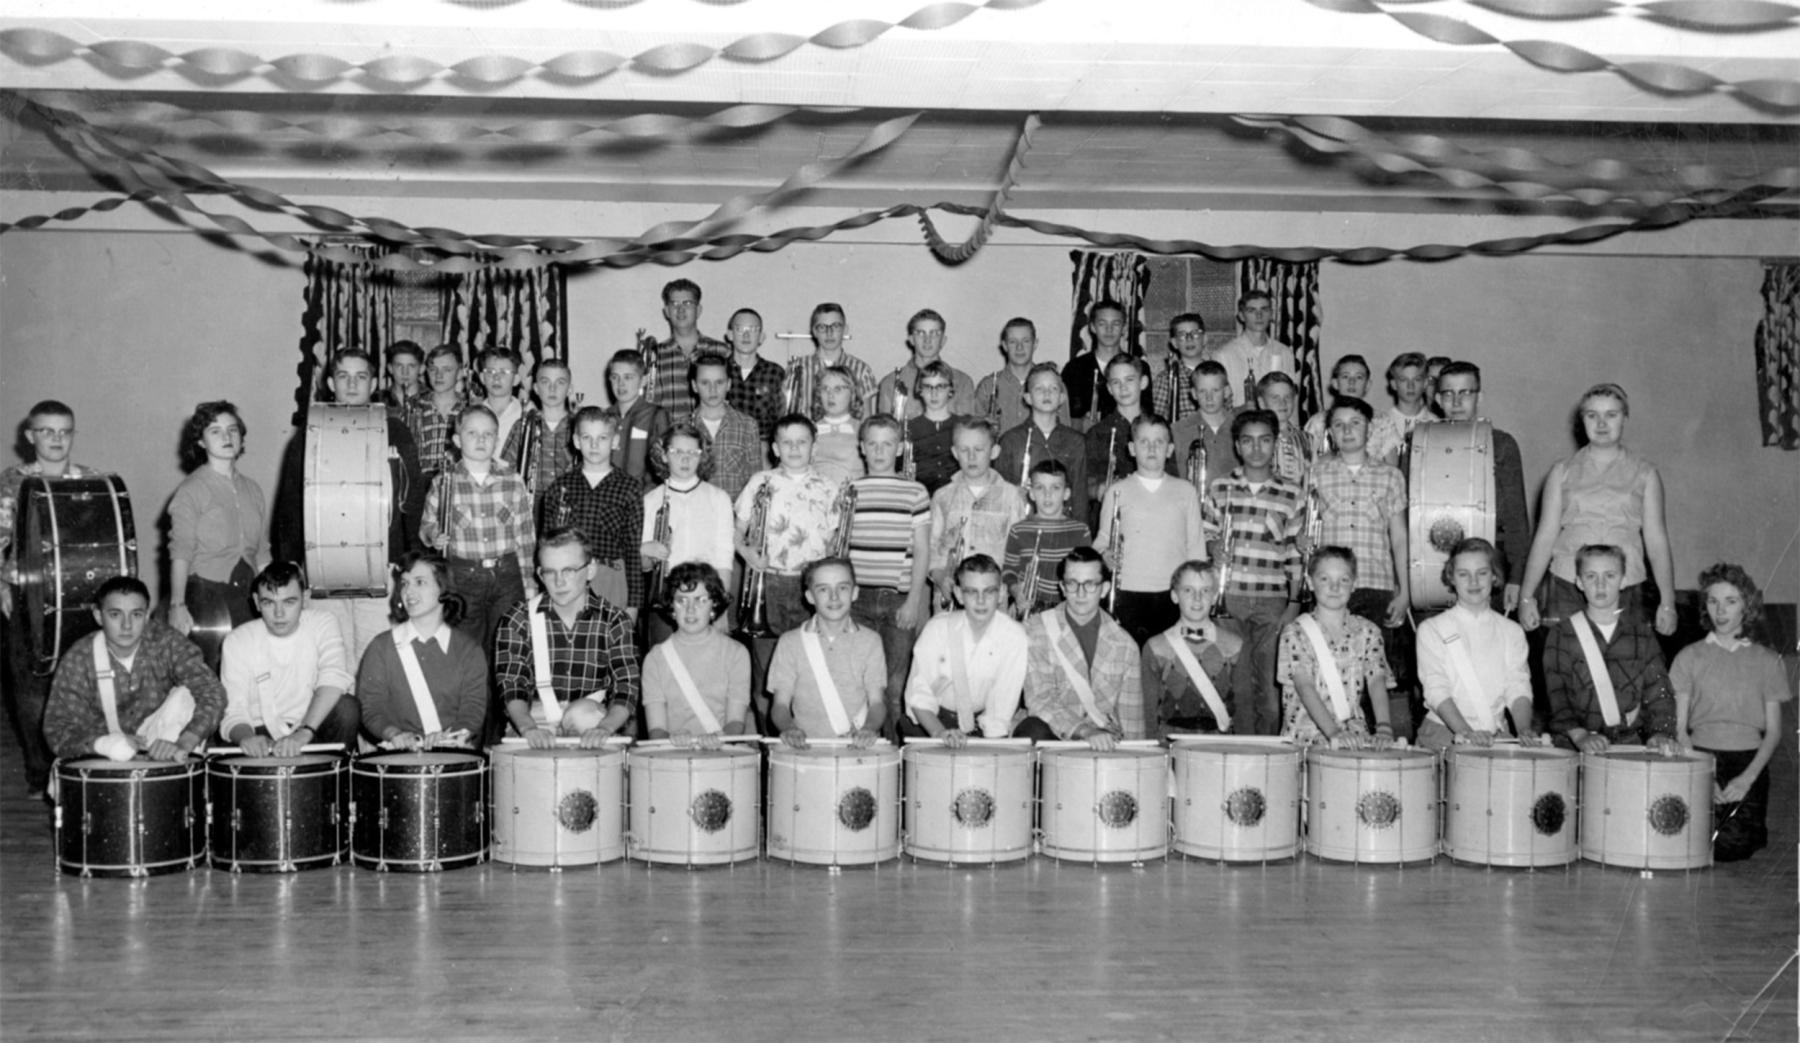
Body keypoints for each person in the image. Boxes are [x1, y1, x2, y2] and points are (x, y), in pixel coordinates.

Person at [272, 349, 426, 670]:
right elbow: (290, 504)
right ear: (330, 383)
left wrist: (411, 560)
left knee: (379, 662)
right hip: (322, 570)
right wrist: (290, 562)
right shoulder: (308, 436)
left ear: (373, 383)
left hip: (382, 568)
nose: (352, 385)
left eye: (361, 377)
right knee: (331, 663)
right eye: (344, 377)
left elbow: (412, 500)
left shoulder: (395, 431)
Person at [1517, 383, 1677, 636]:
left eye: (1611, 415)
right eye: (1592, 415)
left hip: (1626, 585)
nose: (1601, 423)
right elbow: (1545, 536)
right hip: (1569, 585)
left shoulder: (1646, 474)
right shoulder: (1562, 472)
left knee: (1623, 664)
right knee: (1572, 664)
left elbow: (1656, 540)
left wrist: (1668, 603)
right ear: (1582, 420)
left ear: (1625, 418)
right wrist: (1526, 597)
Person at [1, 400, 101, 796]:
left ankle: (79, 766)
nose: (57, 439)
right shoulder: (11, 482)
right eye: (47, 431)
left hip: (80, 598)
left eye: (64, 431)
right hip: (25, 599)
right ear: (30, 436)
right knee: (30, 690)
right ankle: (40, 772)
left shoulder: (92, 480)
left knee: (84, 684)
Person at [1671, 563, 1792, 862]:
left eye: (1730, 601)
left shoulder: (1767, 661)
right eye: (1713, 601)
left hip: (1747, 761)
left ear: (1746, 606)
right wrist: (1704, 776)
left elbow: (1774, 732)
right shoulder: (1689, 657)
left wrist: (1746, 779)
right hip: (1699, 756)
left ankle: (1751, 823)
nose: (1721, 611)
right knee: (1692, 839)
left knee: (1732, 848)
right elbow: (1679, 727)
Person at [1307, 395, 1411, 736]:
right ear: (1330, 432)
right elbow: (1305, 530)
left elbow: (1398, 537)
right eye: (1338, 425)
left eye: (1355, 423)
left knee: (1374, 675)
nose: (1347, 430)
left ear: (1370, 428)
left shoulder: (1391, 476)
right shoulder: (1317, 472)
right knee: (1331, 673)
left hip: (1375, 585)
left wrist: (1405, 590)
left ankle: (1376, 745)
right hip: (1330, 591)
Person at [43, 576, 226, 764]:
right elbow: (57, 728)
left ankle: (175, 778)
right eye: (115, 614)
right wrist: (107, 744)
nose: (126, 625)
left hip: (160, 743)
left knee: (186, 695)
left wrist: (184, 742)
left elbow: (213, 693)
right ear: (98, 616)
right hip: (104, 754)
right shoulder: (79, 657)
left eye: (136, 614)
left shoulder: (168, 643)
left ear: (147, 616)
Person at [1205, 409, 1304, 736]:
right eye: (1248, 441)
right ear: (1236, 445)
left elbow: (1294, 554)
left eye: (1264, 441)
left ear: (1275, 444)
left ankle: (1270, 753)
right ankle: (1242, 754)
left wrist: (1293, 603)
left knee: (1272, 690)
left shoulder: (1292, 493)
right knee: (1239, 688)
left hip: (1272, 601)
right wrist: (1211, 549)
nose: (1256, 448)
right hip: (1228, 600)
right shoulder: (1220, 488)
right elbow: (1204, 538)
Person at [495, 528, 639, 748]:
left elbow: (626, 687)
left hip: (593, 719)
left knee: (583, 715)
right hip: (533, 719)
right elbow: (511, 684)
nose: (559, 582)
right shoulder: (517, 619)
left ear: (590, 569)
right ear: (539, 573)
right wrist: (528, 729)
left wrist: (605, 728)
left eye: (569, 570)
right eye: (550, 572)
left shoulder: (615, 620)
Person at [419, 404, 537, 662]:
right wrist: (433, 535)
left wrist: (529, 585)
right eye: (472, 433)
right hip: (463, 575)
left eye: (488, 434)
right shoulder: (444, 481)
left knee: (508, 648)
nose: (481, 439)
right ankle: (474, 702)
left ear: (497, 439)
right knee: (466, 649)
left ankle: (505, 702)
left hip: (507, 574)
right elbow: (426, 525)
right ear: (457, 440)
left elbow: (525, 537)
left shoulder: (512, 480)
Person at [1541, 544, 1678, 754]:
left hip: (1627, 744)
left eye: (1610, 576)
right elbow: (1557, 694)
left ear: (1623, 581)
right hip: (1573, 745)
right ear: (1579, 582)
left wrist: (1661, 733)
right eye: (1591, 576)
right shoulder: (1562, 634)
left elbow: (1659, 691)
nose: (1600, 585)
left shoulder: (1642, 635)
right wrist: (1580, 735)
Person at [844, 414, 932, 739]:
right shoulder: (850, 490)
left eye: (887, 444)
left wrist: (913, 601)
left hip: (898, 601)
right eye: (872, 444)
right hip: (857, 601)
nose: (880, 451)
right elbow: (840, 549)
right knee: (861, 684)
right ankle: (864, 752)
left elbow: (922, 551)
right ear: (862, 448)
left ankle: (895, 760)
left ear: (899, 449)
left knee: (895, 687)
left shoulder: (915, 492)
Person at [218, 562, 361, 755]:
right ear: (256, 601)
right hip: (259, 732)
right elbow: (233, 711)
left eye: (289, 602)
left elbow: (334, 678)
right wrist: (247, 738)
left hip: (310, 725)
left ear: (305, 598)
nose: (279, 614)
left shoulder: (323, 623)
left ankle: (336, 779)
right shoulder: (237, 640)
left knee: (347, 708)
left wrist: (304, 732)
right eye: (269, 602)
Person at [168, 400, 269, 670]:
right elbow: (181, 551)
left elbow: (261, 553)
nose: (227, 437)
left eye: (233, 430)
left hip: (248, 594)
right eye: (215, 431)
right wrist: (177, 605)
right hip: (206, 597)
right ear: (201, 442)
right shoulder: (191, 490)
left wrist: (270, 598)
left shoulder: (253, 489)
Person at [1415, 538, 1540, 750]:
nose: (1473, 582)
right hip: (1444, 733)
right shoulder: (1432, 629)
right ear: (1451, 578)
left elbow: (1518, 685)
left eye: (1482, 573)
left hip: (1497, 734)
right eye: (1463, 574)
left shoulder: (1512, 631)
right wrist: (1466, 733)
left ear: (1494, 576)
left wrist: (1523, 729)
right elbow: (1436, 689)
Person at [1095, 413, 1207, 646]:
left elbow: (1196, 548)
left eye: (1159, 442)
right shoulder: (1117, 491)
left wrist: (1198, 590)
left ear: (1169, 449)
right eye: (1144, 442)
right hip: (1128, 592)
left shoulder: (1186, 491)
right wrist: (1105, 555)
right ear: (1132, 449)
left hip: (1174, 595)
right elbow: (1101, 541)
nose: (1152, 448)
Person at [1015, 547, 1146, 746]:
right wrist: (1084, 731)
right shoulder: (1038, 630)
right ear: (1062, 587)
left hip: (1106, 741)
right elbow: (1040, 699)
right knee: (1030, 729)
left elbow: (1131, 718)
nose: (1081, 593)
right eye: (1072, 583)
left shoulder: (1125, 645)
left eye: (1090, 584)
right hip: (1058, 734)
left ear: (1104, 589)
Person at [357, 552, 487, 749]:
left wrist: (451, 737)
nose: (408, 591)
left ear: (443, 589)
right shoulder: (381, 647)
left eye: (420, 582)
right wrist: (394, 734)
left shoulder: (469, 651)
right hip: (398, 757)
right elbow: (372, 708)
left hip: (454, 752)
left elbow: (473, 710)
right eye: (405, 583)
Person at [1432, 362, 1531, 614]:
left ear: (1480, 397)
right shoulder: (1421, 445)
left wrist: (1517, 578)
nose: (1456, 402)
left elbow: (1516, 519)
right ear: (1437, 399)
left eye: (1465, 393)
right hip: (1436, 562)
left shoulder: (1502, 444)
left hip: (1491, 564)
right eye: (1448, 394)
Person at [902, 553, 1027, 743]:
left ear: (1002, 593)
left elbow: (1001, 707)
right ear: (959, 594)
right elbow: (919, 694)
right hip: (931, 722)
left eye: (990, 591)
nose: (981, 600)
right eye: (971, 592)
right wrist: (940, 734)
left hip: (980, 726)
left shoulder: (1014, 637)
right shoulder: (937, 629)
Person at [1277, 548, 1395, 747]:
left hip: (1355, 735)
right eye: (1324, 579)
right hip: (1305, 737)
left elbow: (1376, 679)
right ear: (1309, 582)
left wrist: (1384, 727)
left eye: (1344, 580)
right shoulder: (1295, 632)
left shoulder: (1368, 632)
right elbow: (1304, 686)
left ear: (1354, 584)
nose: (1334, 587)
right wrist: (1334, 733)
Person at [769, 556, 885, 748]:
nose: (834, 597)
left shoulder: (871, 641)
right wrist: (789, 728)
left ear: (855, 593)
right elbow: (780, 704)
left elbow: (877, 702)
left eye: (842, 588)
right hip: (806, 748)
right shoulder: (789, 642)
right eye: (823, 589)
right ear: (809, 597)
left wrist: (869, 728)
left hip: (856, 749)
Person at [541, 406, 645, 617]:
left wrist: (633, 604)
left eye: (602, 438)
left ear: (615, 441)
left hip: (611, 576)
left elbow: (632, 550)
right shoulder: (560, 487)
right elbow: (546, 546)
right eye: (587, 438)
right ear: (576, 441)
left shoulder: (629, 488)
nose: (594, 445)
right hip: (567, 577)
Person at [639, 422, 735, 646]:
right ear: (663, 456)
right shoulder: (650, 501)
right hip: (665, 598)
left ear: (702, 457)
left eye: (693, 452)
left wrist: (720, 608)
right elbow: (643, 566)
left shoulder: (718, 498)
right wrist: (645, 550)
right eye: (677, 452)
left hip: (708, 594)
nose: (685, 459)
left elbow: (723, 555)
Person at [642, 562, 751, 745]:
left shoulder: (736, 654)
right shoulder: (655, 658)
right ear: (672, 607)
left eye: (700, 600)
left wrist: (720, 738)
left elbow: (736, 722)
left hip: (722, 755)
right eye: (682, 600)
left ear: (714, 605)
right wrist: (671, 740)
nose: (690, 609)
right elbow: (656, 730)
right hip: (673, 757)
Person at [928, 418, 1029, 613]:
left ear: (994, 452)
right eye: (964, 450)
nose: (971, 457)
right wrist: (940, 577)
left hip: (994, 598)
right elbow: (931, 547)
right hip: (949, 597)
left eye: (979, 450)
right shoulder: (942, 496)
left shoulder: (1011, 496)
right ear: (955, 453)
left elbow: (1019, 552)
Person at [1140, 561, 1242, 739]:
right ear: (1174, 595)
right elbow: (1147, 711)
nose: (1197, 598)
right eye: (1188, 590)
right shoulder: (1156, 647)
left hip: (1220, 744)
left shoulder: (1234, 645)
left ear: (1215, 597)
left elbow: (1244, 707)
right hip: (1170, 742)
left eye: (1205, 591)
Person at [995, 362, 1090, 525]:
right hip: (1021, 525)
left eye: (1053, 388)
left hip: (1062, 527)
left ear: (1062, 397)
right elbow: (999, 495)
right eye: (1039, 389)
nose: (1047, 393)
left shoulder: (1076, 442)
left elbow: (1080, 497)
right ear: (1028, 398)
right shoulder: (1010, 440)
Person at [1001, 460, 1091, 618]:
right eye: (1039, 487)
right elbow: (1008, 570)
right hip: (1028, 607)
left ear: (1066, 493)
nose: (1047, 494)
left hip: (1066, 609)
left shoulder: (1080, 531)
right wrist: (1016, 592)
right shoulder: (1018, 530)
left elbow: (1084, 573)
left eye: (1055, 487)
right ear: (1031, 494)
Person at [644, 278, 729, 416]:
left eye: (688, 303)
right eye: (674, 304)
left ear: (699, 310)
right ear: (666, 311)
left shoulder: (723, 352)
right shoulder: (653, 356)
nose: (681, 309)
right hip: (669, 436)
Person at [686, 351, 762, 502]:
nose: (712, 389)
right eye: (705, 383)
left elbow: (755, 481)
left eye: (719, 382)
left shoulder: (747, 426)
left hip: (733, 519)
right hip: (692, 516)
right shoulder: (682, 427)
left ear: (729, 384)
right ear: (694, 386)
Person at [972, 317, 1067, 436]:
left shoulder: (1055, 385)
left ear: (1035, 344)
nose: (1019, 347)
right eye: (1013, 342)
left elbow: (1065, 432)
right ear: (1005, 345)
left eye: (1025, 341)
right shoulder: (988, 386)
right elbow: (974, 433)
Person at [500, 356, 577, 501]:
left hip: (570, 501)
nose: (552, 388)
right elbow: (506, 470)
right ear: (536, 388)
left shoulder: (579, 425)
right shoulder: (523, 426)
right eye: (545, 382)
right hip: (531, 503)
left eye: (560, 383)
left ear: (569, 389)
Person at [876, 308, 976, 418]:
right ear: (911, 339)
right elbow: (885, 430)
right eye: (920, 333)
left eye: (934, 334)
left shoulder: (962, 382)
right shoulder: (890, 383)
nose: (927, 340)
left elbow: (967, 429)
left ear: (943, 340)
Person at [785, 302, 877, 422]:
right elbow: (787, 414)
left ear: (845, 330)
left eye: (836, 326)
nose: (829, 333)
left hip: (848, 439)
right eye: (822, 327)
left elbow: (866, 418)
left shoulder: (861, 370)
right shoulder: (797, 368)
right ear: (814, 331)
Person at [1303, 355, 1401, 467]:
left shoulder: (1383, 421)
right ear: (1335, 383)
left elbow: (1393, 467)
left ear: (1367, 385)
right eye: (1345, 376)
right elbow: (1307, 465)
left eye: (1359, 377)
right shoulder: (1318, 422)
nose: (1352, 382)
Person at [1083, 354, 1149, 520]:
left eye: (1129, 380)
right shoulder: (1097, 433)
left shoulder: (1158, 430)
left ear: (1143, 383)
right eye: (1116, 382)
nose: (1123, 387)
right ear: (1109, 389)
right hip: (1109, 516)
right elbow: (1083, 483)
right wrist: (1099, 489)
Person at [1063, 299, 1146, 427]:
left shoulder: (1139, 367)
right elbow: (1064, 416)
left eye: (1116, 324)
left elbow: (1147, 415)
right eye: (1102, 324)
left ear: (1124, 328)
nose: (1109, 329)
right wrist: (1081, 423)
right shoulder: (1074, 368)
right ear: (1092, 327)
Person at [1211, 290, 1294, 409]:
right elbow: (1219, 406)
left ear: (1271, 314)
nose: (1259, 315)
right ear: (1241, 316)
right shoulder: (1223, 356)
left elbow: (1291, 398)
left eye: (1264, 309)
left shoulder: (1285, 353)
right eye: (1251, 310)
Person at [722, 307, 788, 450]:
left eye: (753, 330)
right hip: (724, 450)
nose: (746, 335)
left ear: (761, 337)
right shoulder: (718, 371)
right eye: (740, 329)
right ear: (730, 335)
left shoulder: (775, 373)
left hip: (764, 453)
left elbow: (782, 420)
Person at [1169, 360, 1239, 487]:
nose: (1209, 397)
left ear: (1227, 391)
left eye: (1215, 390)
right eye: (1202, 391)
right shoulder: (1178, 431)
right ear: (1194, 394)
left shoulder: (1240, 429)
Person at [606, 349, 670, 486]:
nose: (620, 384)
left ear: (643, 380)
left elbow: (666, 466)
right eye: (615, 377)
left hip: (645, 500)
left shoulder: (656, 415)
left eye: (628, 377)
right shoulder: (603, 418)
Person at [905, 360, 966, 495]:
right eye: (928, 387)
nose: (934, 393)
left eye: (941, 386)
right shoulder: (908, 429)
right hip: (920, 499)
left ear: (951, 390)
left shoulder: (964, 426)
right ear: (919, 390)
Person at [406, 344, 465, 479]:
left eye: (447, 370)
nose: (439, 375)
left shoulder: (469, 409)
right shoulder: (414, 407)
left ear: (460, 373)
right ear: (427, 372)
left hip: (459, 484)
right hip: (421, 485)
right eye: (433, 370)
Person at [1255, 371, 1312, 486]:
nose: (1283, 403)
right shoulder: (1256, 440)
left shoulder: (1307, 439)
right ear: (1261, 403)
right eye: (1275, 398)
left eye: (1288, 397)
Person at [811, 366, 866, 485]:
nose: (830, 395)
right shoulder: (809, 430)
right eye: (825, 389)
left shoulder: (863, 430)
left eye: (838, 389)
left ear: (852, 392)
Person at [1150, 312, 1208, 423]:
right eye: (1182, 335)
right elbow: (1156, 420)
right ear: (1174, 343)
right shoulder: (1165, 379)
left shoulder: (1217, 374)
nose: (1189, 339)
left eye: (1195, 333)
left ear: (1204, 339)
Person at [474, 348, 528, 454]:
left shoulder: (525, 414)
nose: (496, 377)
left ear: (516, 379)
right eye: (490, 371)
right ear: (482, 377)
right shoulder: (472, 415)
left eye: (503, 372)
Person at [1380, 352, 1433, 451]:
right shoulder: (1381, 424)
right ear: (1394, 384)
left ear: (1425, 383)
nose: (1410, 386)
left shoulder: (1435, 424)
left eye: (1416, 379)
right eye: (1403, 380)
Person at [384, 340, 426, 410]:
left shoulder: (433, 399)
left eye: (411, 366)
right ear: (390, 368)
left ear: (421, 368)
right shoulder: (376, 400)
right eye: (399, 366)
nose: (405, 372)